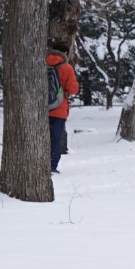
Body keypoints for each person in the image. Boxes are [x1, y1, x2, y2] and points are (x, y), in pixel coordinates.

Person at [46, 42, 80, 173]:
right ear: (65, 53)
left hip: (40, 109)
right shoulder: (66, 68)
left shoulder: (40, 64)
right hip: (58, 109)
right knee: (55, 139)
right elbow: (73, 89)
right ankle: (52, 166)